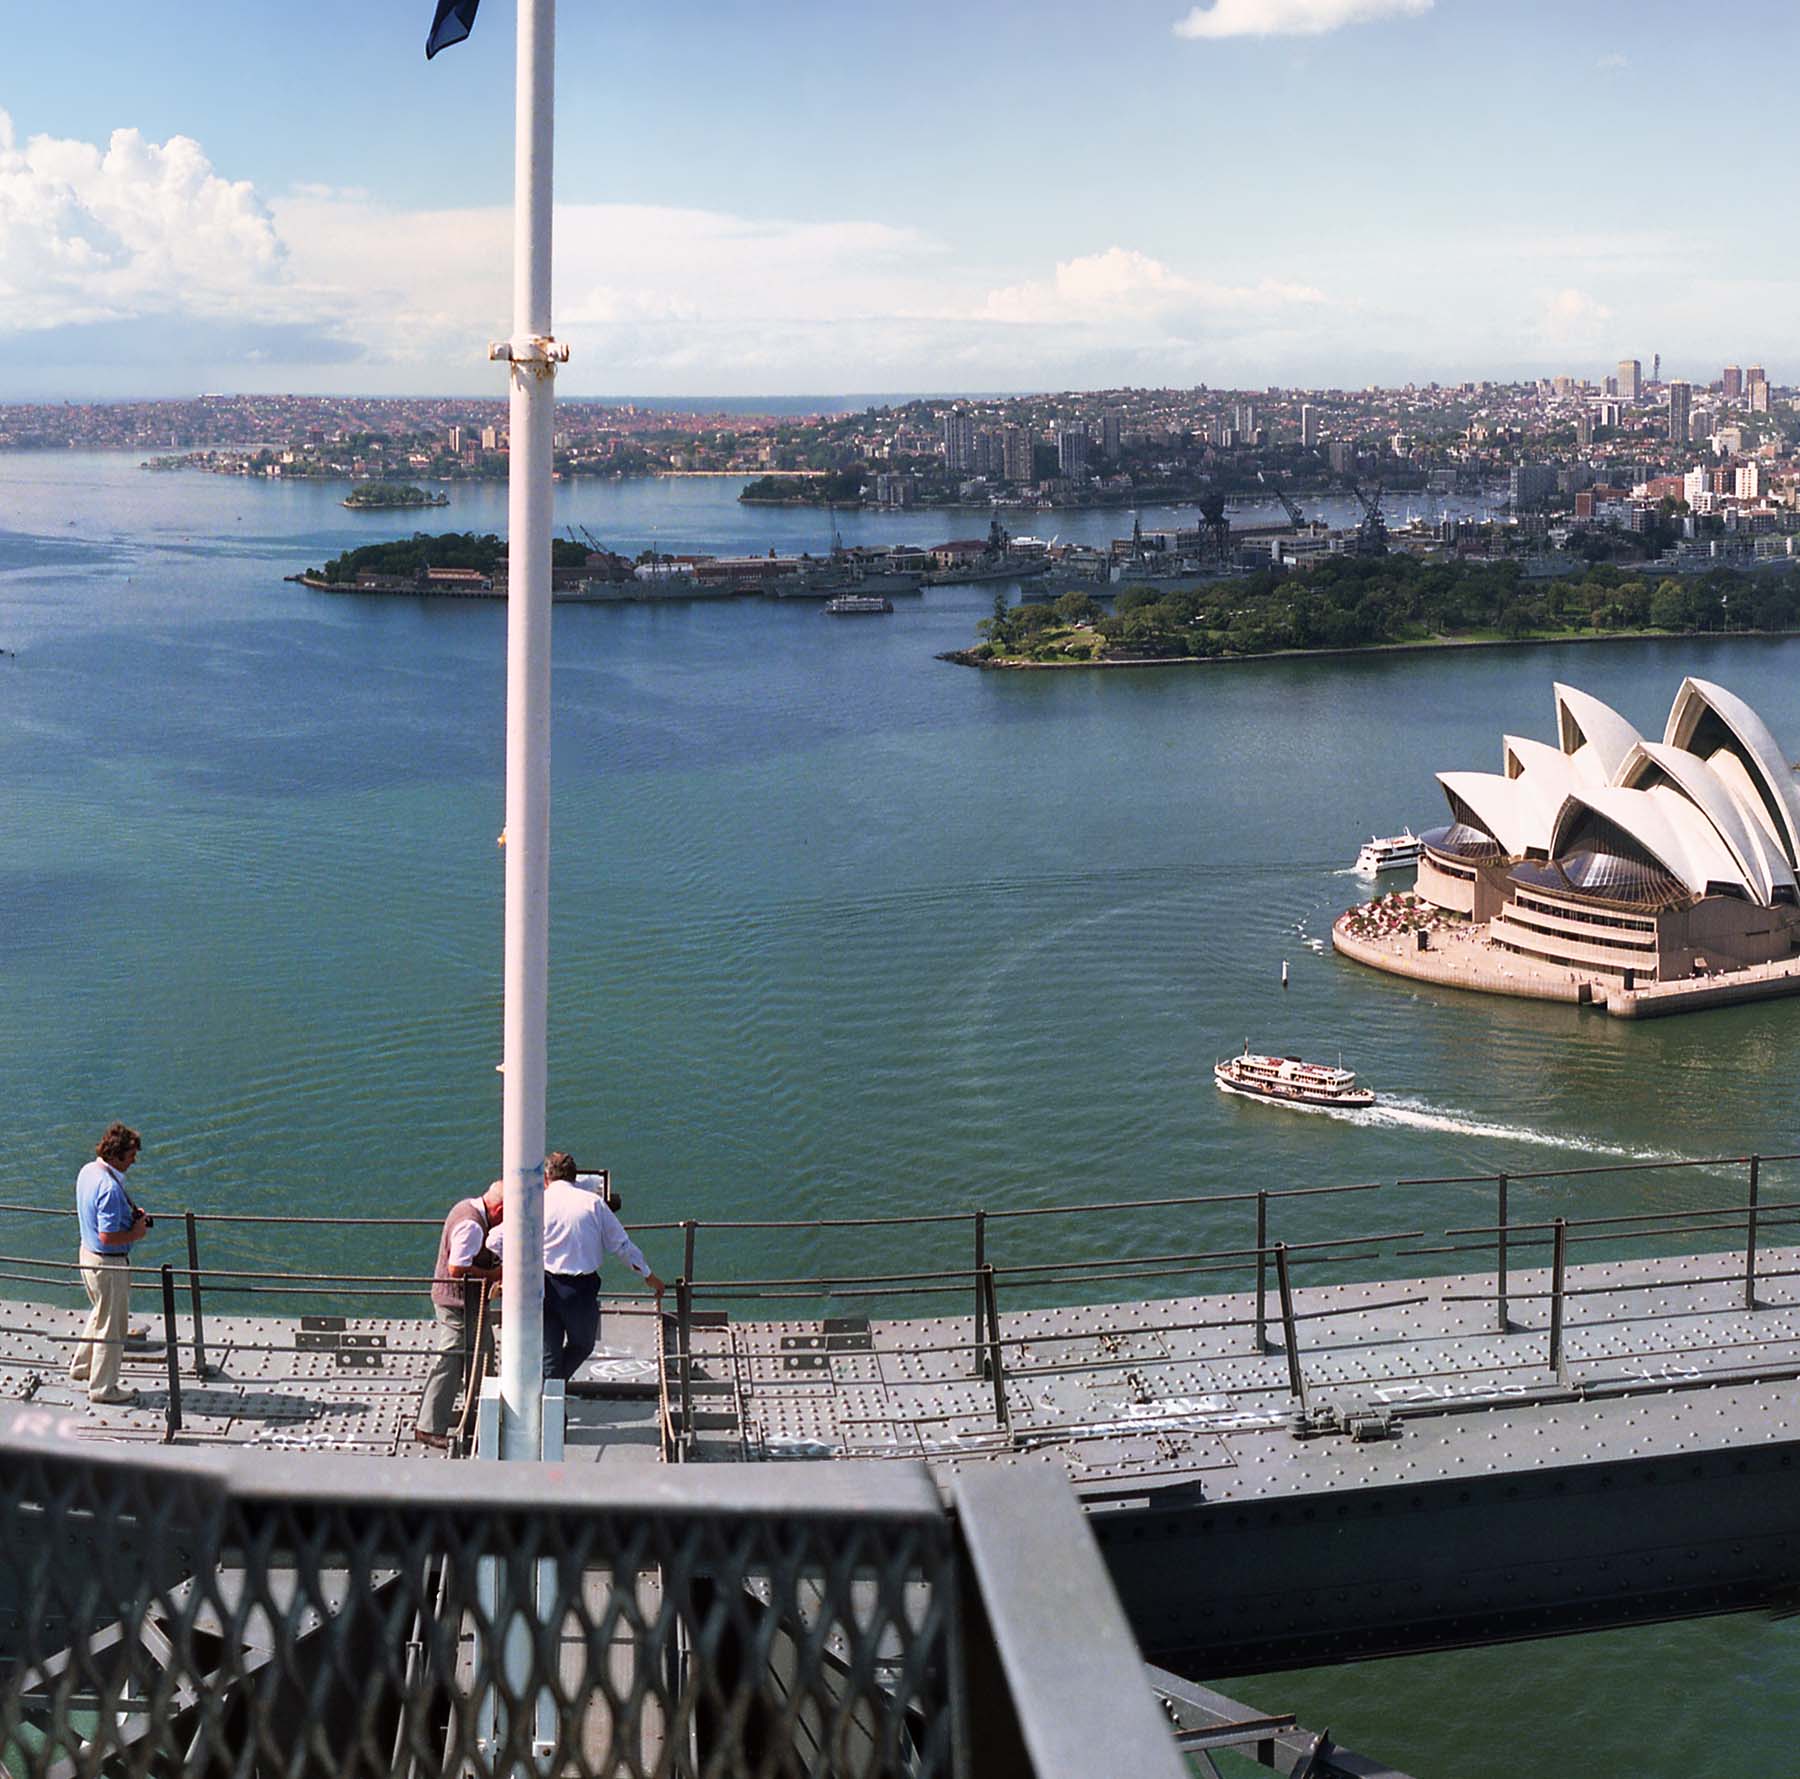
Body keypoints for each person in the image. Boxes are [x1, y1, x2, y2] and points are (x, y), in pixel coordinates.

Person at [489, 1153, 664, 1381]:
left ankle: (549, 1398)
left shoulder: (536, 1203)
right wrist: (649, 1276)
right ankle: (554, 1390)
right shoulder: (594, 1204)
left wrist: (517, 1270)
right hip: (580, 1292)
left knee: (549, 1357)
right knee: (582, 1344)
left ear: (546, 1177)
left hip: (542, 1287)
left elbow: (494, 1240)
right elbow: (622, 1246)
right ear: (575, 1176)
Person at [415, 1179, 505, 1448]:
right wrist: (493, 1275)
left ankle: (475, 1414)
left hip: (466, 1303)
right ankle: (428, 1426)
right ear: (499, 1210)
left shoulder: (465, 1207)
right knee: (451, 1361)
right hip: (458, 1304)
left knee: (482, 1355)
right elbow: (457, 1269)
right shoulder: (472, 1225)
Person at [71, 1122, 152, 1406]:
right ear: (116, 1154)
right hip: (108, 1264)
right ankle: (104, 1388)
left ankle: (82, 1367)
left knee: (100, 1313)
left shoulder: (88, 1171)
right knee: (112, 1327)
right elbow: (108, 1237)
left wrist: (127, 1217)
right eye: (130, 1154)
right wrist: (136, 1233)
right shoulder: (110, 1188)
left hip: (87, 1255)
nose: (134, 1159)